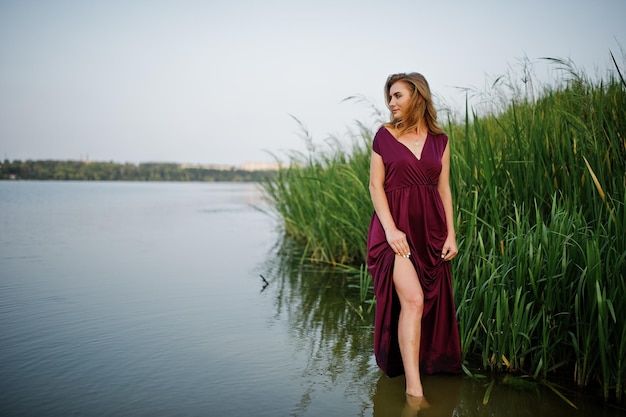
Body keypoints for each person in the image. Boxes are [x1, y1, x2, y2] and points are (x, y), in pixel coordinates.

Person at [366, 72, 462, 400]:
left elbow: (443, 189)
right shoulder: (383, 136)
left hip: (432, 232)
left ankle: (423, 368)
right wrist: (391, 230)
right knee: (414, 300)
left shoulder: (441, 141)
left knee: (422, 307)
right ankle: (414, 391)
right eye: (389, 97)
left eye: (397, 96)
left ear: (417, 96)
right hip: (394, 232)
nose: (391, 103)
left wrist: (451, 234)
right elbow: (375, 185)